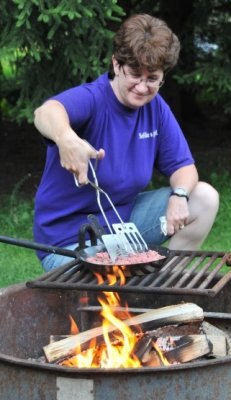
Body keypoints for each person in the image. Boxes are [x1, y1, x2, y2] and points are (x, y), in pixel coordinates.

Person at [33, 13, 219, 271]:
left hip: (125, 223)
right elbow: (45, 112)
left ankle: (164, 287)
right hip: (68, 242)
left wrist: (179, 195)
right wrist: (66, 139)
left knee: (204, 198)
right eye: (134, 74)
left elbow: (184, 168)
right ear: (117, 64)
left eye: (152, 78)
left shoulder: (156, 109)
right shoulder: (93, 98)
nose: (143, 87)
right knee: (105, 295)